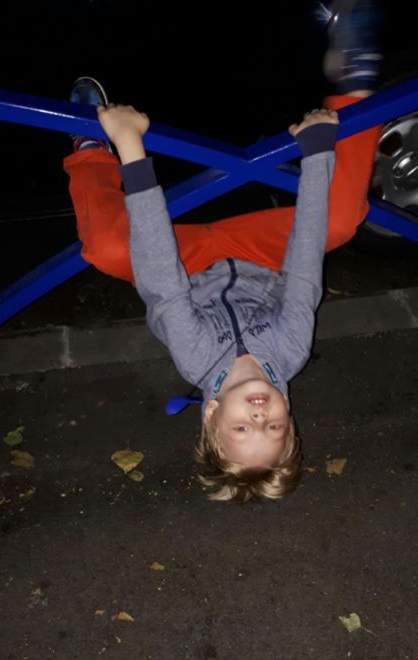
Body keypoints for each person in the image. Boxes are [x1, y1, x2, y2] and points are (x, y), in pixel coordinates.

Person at [63, 0, 383, 502]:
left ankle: (90, 148)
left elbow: (161, 275)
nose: (260, 416)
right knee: (341, 221)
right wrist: (318, 154)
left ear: (211, 414)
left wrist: (130, 148)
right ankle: (355, 82)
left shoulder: (195, 356)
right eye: (274, 428)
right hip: (261, 255)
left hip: (184, 262)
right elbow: (303, 266)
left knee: (105, 249)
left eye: (242, 429)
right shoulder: (291, 350)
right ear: (289, 415)